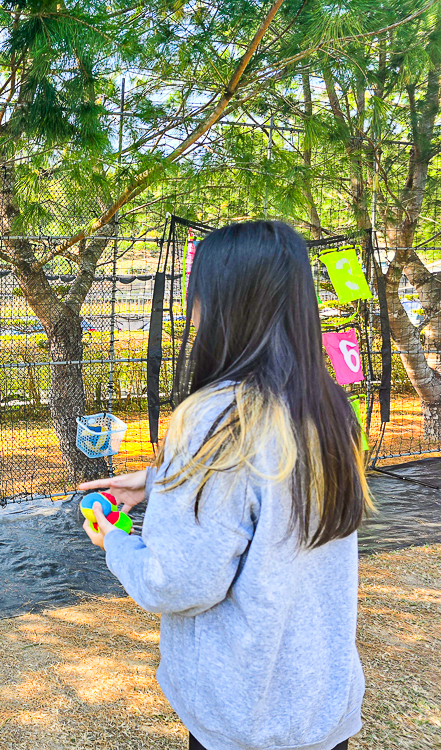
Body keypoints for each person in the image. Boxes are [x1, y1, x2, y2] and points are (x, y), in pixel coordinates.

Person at [80, 221, 372, 750]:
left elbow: (177, 581)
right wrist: (159, 480)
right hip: (320, 706)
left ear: (221, 306)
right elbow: (275, 487)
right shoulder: (327, 406)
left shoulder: (217, 418)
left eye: (198, 296)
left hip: (246, 720)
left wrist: (115, 540)